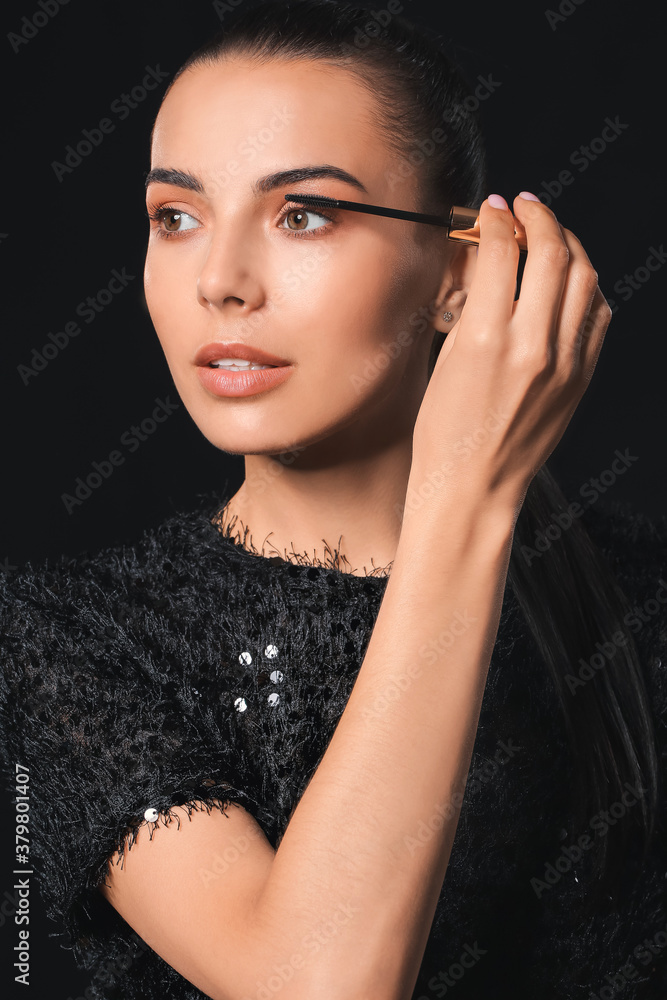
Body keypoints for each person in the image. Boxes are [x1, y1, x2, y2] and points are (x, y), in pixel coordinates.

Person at [1, 1, 666, 998]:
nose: (219, 282)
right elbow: (314, 984)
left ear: (459, 274)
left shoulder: (632, 596)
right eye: (175, 217)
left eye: (302, 213)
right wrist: (468, 501)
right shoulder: (69, 638)